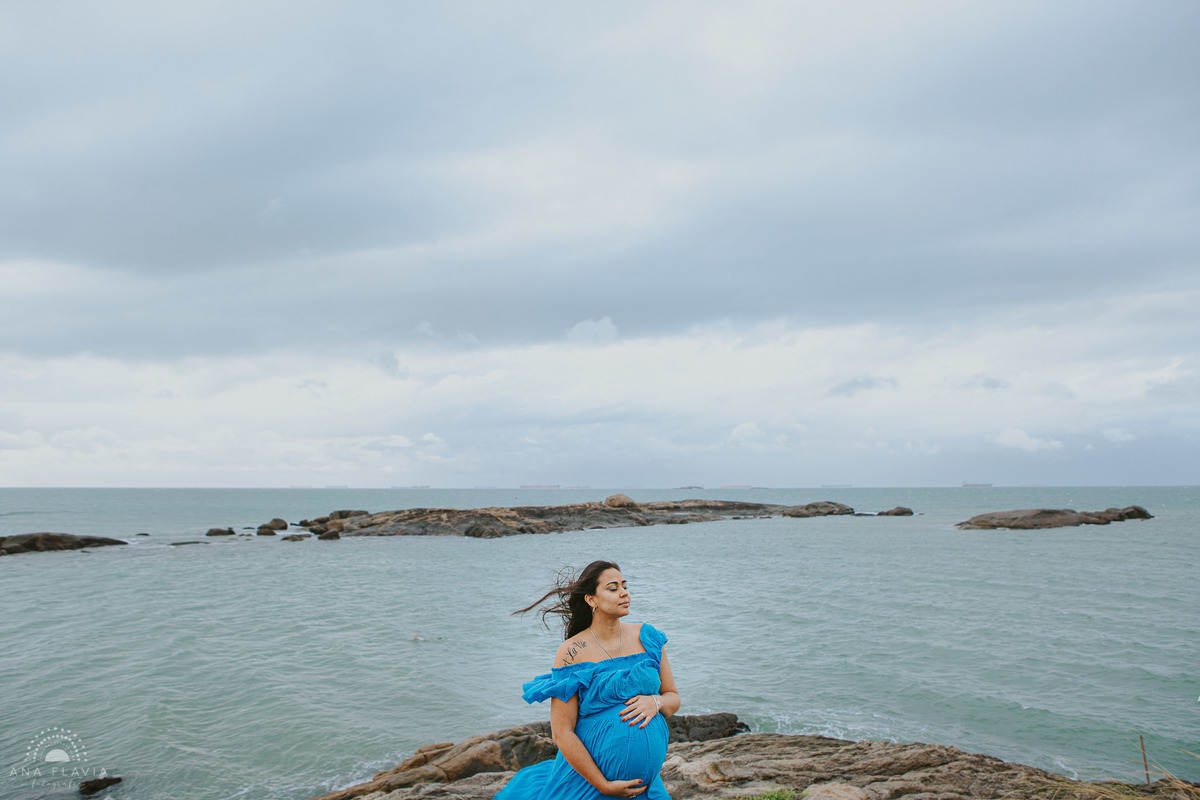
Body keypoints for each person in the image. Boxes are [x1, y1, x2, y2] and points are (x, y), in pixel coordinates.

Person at [494, 560, 680, 799]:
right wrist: (603, 784)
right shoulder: (572, 651)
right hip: (589, 786)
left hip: (648, 788)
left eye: (625, 585)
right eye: (613, 588)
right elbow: (562, 732)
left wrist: (656, 702)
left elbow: (673, 697)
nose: (624, 593)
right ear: (591, 600)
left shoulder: (648, 636)